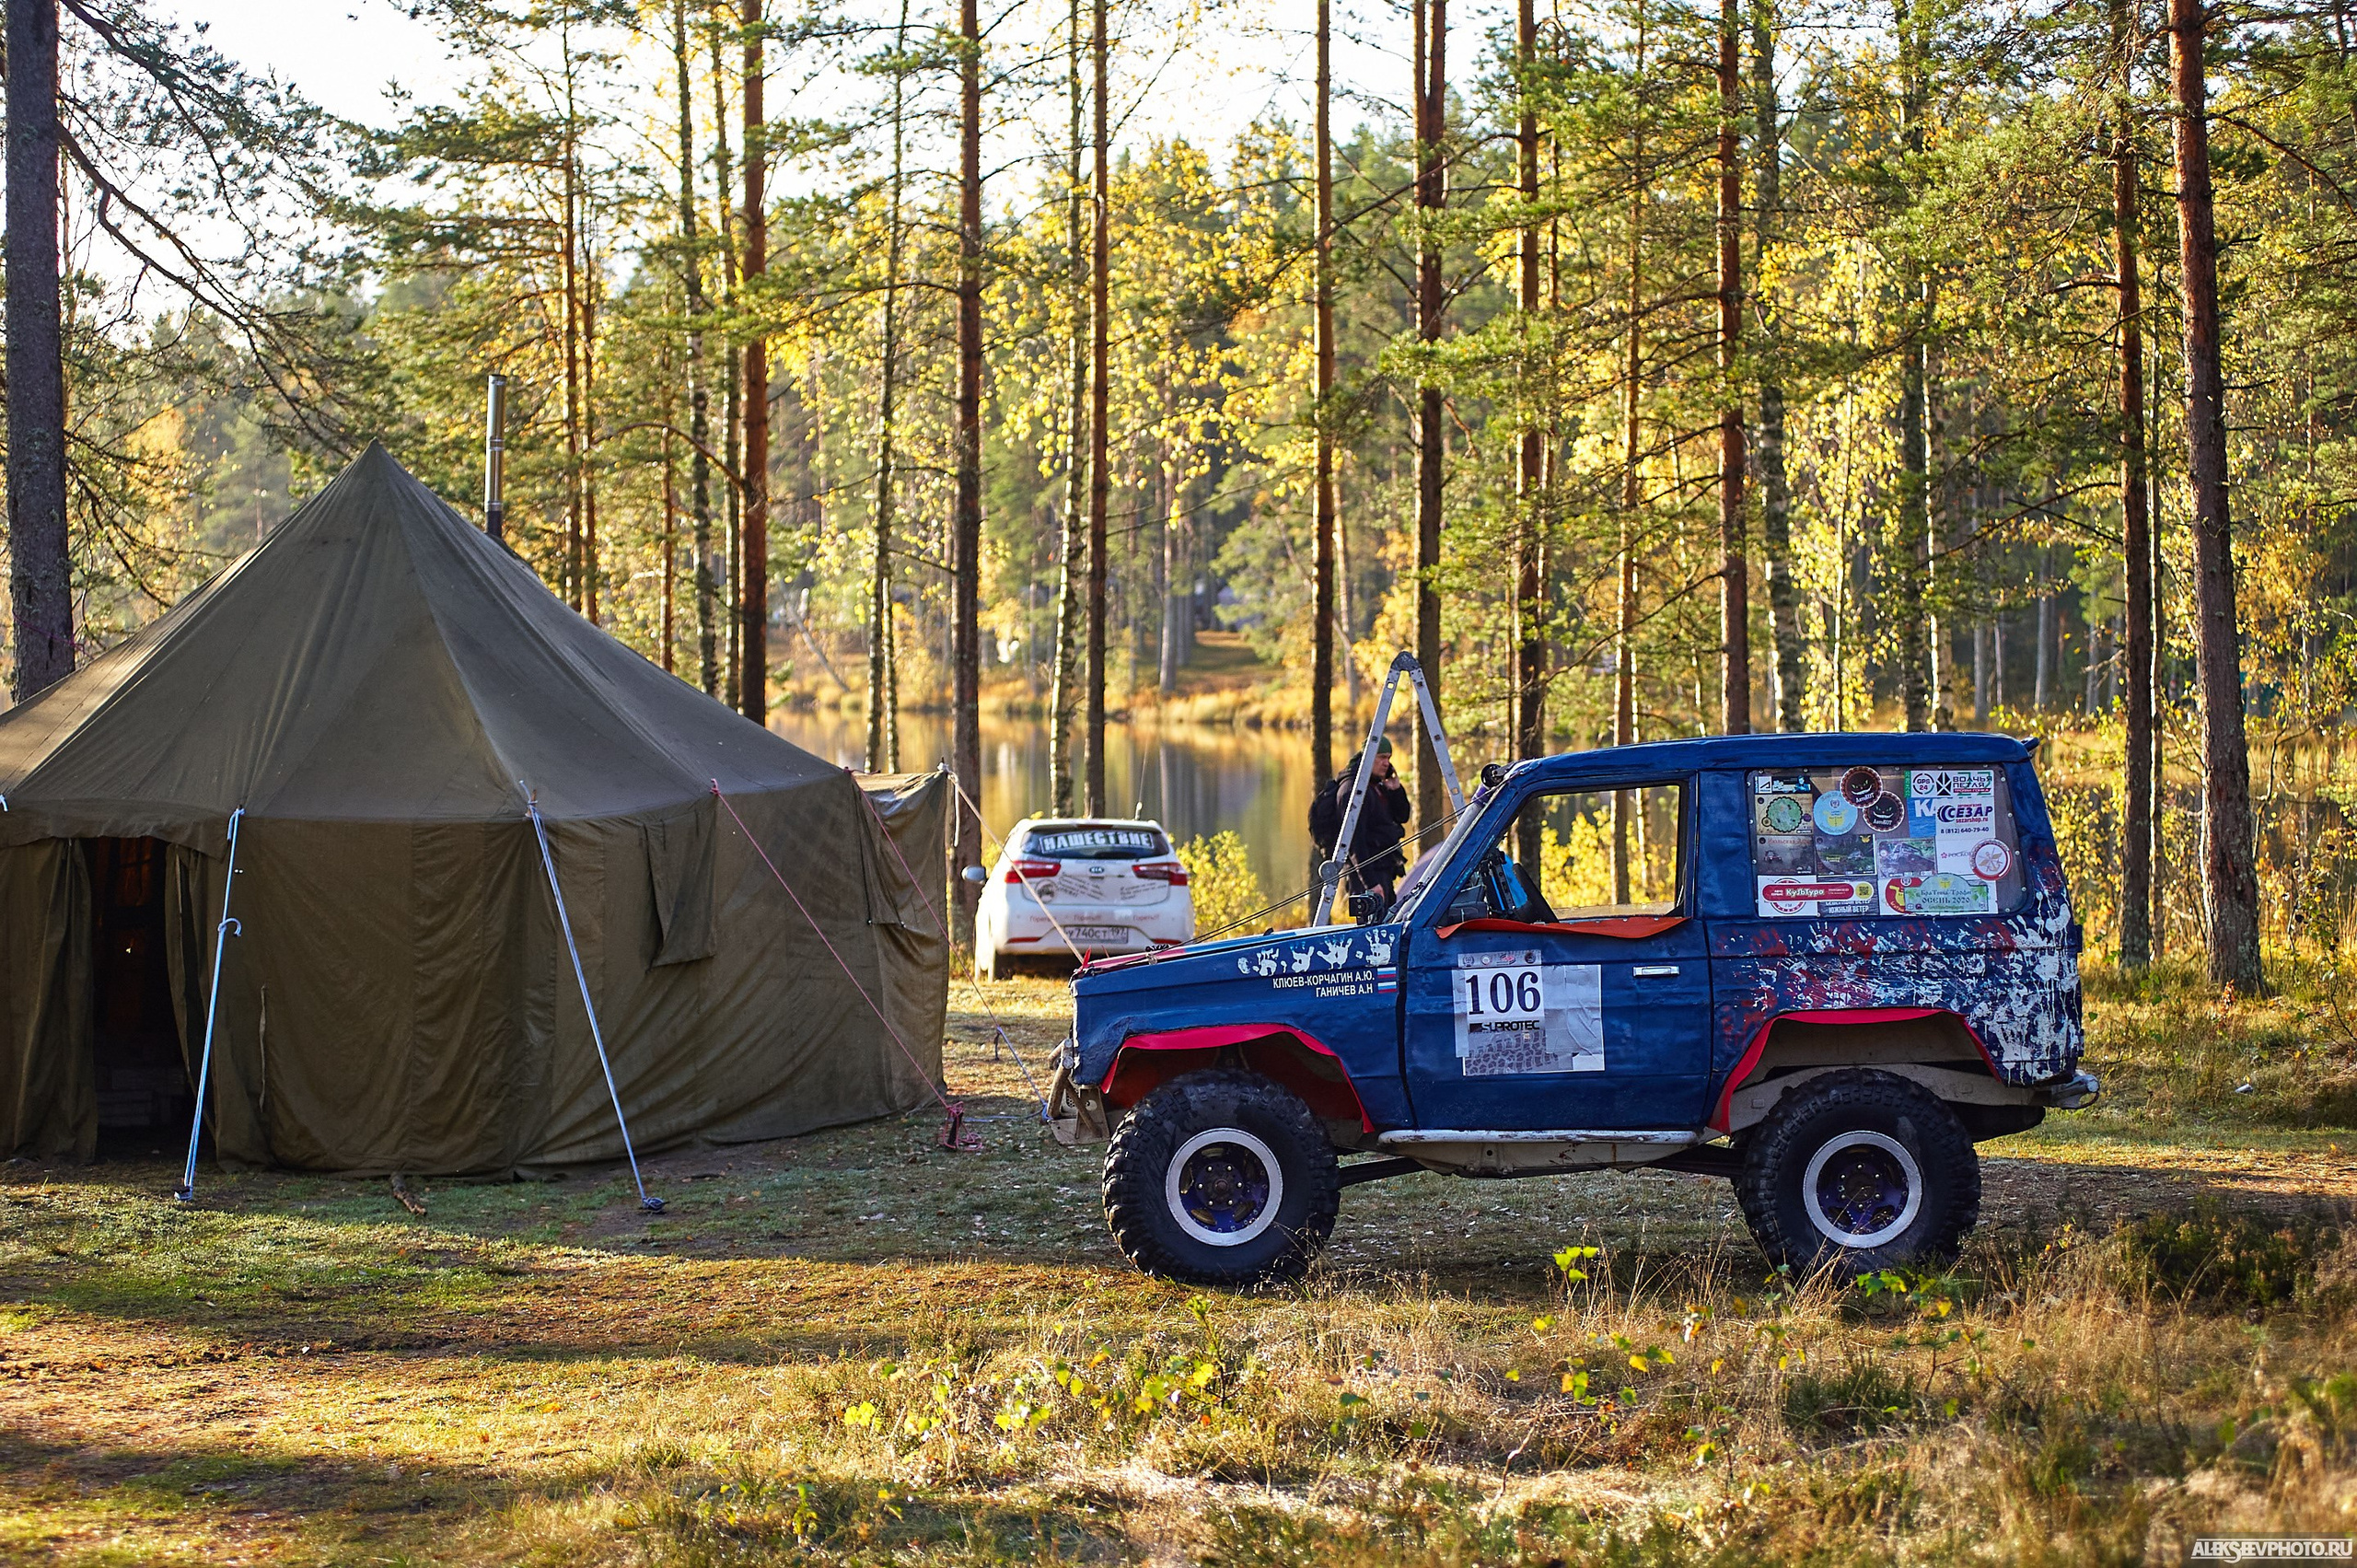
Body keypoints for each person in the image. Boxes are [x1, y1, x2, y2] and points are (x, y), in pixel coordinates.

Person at [1308, 736, 1413, 908]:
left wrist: (1396, 790)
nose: (1386, 763)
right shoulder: (1352, 790)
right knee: (1371, 928)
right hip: (1365, 875)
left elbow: (1402, 816)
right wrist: (1370, 883)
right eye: (1381, 758)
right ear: (1368, 757)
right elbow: (1354, 841)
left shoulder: (1376, 785)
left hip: (1383, 869)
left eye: (1388, 758)